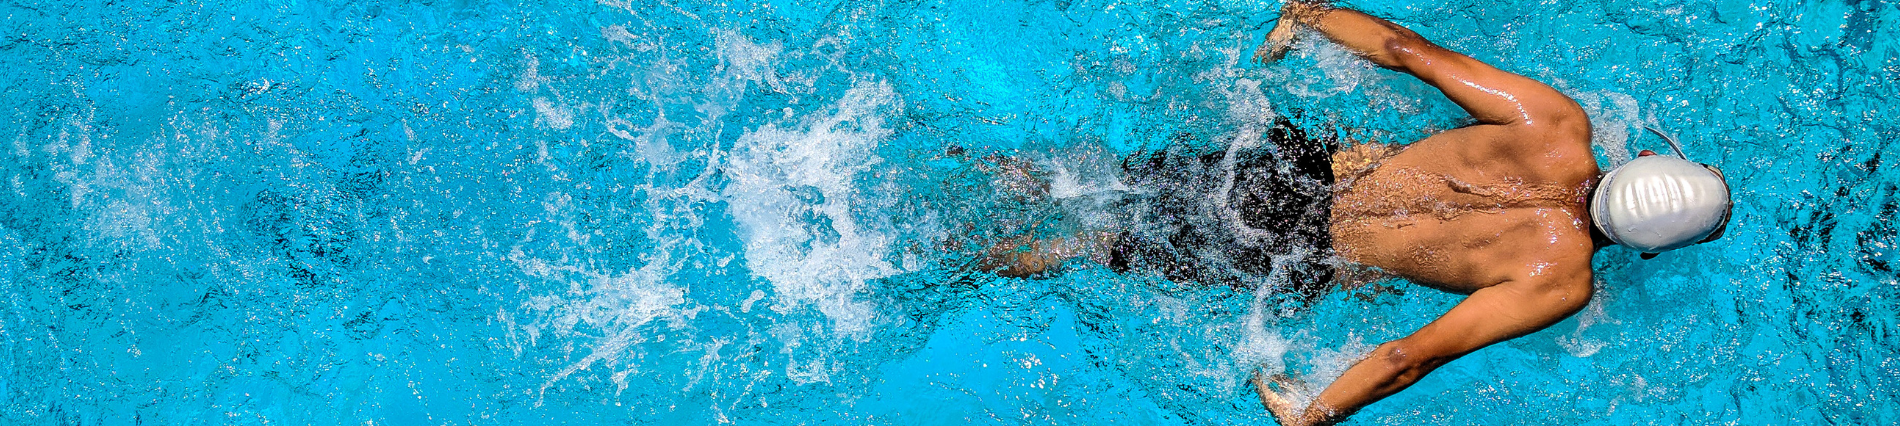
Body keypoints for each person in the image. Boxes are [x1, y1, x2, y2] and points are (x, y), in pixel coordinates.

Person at [978, 2, 1732, 425]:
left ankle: (982, 170)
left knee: (1089, 178)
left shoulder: (1555, 125)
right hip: (1298, 256)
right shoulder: (1559, 280)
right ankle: (964, 259)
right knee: (1093, 246)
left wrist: (1311, 15)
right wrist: (1315, 416)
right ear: (1649, 250)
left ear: (1640, 159)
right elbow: (1411, 355)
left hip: (1285, 170)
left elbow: (1406, 49)